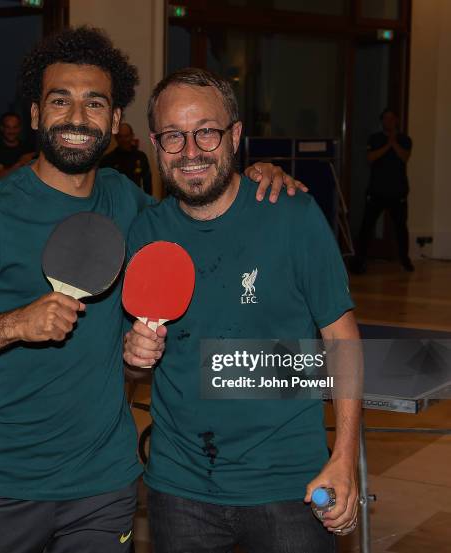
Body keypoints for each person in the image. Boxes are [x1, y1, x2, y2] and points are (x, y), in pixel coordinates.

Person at [0, 27, 304, 553]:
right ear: (34, 114)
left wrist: (251, 177)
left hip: (104, 485)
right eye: (60, 101)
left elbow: (203, 203)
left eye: (94, 103)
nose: (76, 118)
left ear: (114, 122)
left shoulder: (131, 205)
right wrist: (14, 323)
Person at [123, 68, 361, 553]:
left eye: (206, 131)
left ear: (234, 135)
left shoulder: (292, 215)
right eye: (174, 136)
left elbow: (342, 340)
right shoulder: (144, 233)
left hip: (290, 485)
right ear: (155, 143)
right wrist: (132, 356)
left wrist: (344, 457)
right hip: (179, 488)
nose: (191, 151)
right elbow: (130, 367)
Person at [351, 108, 413, 273]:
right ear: (382, 121)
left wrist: (395, 143)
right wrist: (388, 144)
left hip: (398, 191)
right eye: (385, 119)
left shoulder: (405, 139)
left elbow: (404, 157)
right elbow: (371, 158)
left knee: (400, 227)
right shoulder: (375, 138)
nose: (388, 122)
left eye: (391, 119)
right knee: (366, 227)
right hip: (376, 191)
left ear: (397, 121)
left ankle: (405, 260)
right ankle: (359, 262)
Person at [100, 122, 152, 194]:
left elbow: (147, 182)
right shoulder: (107, 160)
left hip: (136, 200)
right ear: (116, 138)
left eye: (126, 136)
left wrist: (148, 202)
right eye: (120, 136)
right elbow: (102, 185)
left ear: (132, 136)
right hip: (115, 201)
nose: (124, 140)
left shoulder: (141, 156)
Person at [0, 112, 35, 180]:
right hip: (5, 190)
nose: (11, 131)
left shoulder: (28, 148)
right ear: (2, 128)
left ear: (20, 128)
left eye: (15, 127)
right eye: (8, 127)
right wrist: (20, 163)